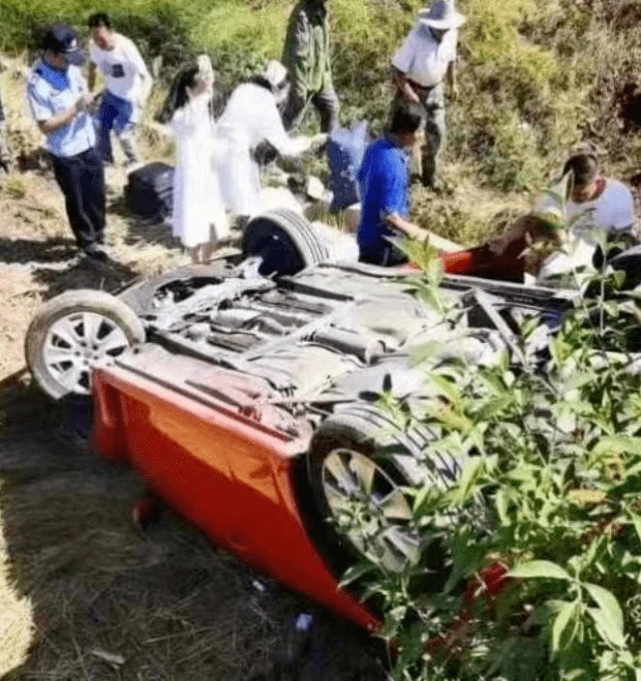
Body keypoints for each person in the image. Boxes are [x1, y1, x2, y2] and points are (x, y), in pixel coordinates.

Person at [26, 24, 106, 260]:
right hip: (66, 152)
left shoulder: (70, 67)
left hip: (88, 140)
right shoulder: (38, 83)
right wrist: (74, 110)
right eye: (65, 57)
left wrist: (89, 102)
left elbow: (81, 89)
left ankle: (100, 234)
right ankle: (87, 244)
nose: (71, 62)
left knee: (97, 194)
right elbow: (45, 125)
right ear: (52, 54)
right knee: (78, 201)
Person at [215, 60, 321, 217]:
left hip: (216, 146)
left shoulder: (243, 89)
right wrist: (311, 141)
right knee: (248, 209)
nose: (285, 97)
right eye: (285, 91)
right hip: (235, 155)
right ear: (277, 88)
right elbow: (286, 148)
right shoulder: (267, 105)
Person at [160, 56, 229, 264]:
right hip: (194, 178)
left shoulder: (199, 110)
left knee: (213, 228)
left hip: (209, 175)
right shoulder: (185, 115)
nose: (210, 85)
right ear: (192, 88)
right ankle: (197, 265)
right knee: (196, 228)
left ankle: (204, 262)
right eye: (205, 82)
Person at [390, 0, 465, 189]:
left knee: (437, 132)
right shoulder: (416, 38)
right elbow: (397, 71)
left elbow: (451, 59)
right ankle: (400, 178)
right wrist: (409, 95)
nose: (444, 32)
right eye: (441, 28)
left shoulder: (451, 34)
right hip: (412, 89)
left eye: (447, 28)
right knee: (405, 136)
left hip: (435, 89)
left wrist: (453, 83)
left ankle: (429, 178)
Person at [357, 101, 432, 266]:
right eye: (420, 130)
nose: (422, 135)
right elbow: (391, 218)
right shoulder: (393, 164)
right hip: (385, 249)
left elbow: (361, 178)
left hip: (366, 238)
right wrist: (422, 239)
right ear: (407, 132)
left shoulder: (375, 147)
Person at [87, 12, 152, 166]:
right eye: (95, 38)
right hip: (110, 94)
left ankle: (137, 165)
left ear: (111, 31)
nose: (98, 42)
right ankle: (106, 161)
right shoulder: (94, 45)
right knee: (100, 125)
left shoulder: (126, 49)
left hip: (129, 99)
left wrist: (141, 100)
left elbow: (147, 78)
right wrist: (89, 91)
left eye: (101, 38)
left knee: (124, 136)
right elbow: (92, 66)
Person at [281, 0, 339, 133]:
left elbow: (323, 51)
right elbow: (298, 56)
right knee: (290, 122)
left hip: (319, 79)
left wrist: (326, 81)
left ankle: (327, 150)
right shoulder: (302, 16)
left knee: (331, 108)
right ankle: (264, 152)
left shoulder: (320, 11)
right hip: (300, 79)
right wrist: (300, 89)